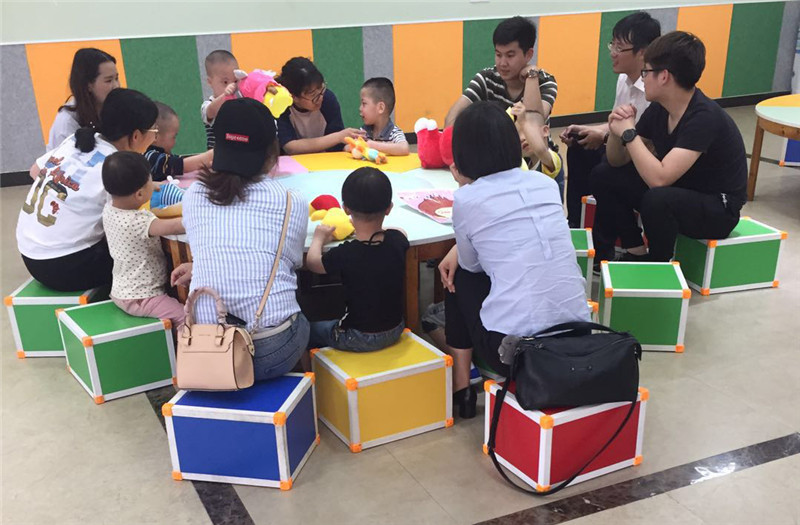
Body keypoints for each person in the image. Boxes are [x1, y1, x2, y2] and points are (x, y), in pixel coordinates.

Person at [440, 102, 590, 418]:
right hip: (578, 337)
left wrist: (464, 190)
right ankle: (463, 388)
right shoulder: (545, 184)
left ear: (462, 155)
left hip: (516, 352)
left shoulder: (466, 198)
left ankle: (461, 389)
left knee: (459, 276)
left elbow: (472, 265)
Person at [171, 98, 309, 381]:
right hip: (271, 349)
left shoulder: (194, 195)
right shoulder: (291, 200)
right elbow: (292, 262)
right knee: (305, 311)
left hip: (208, 348)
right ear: (272, 151)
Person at [593, 31, 746, 263]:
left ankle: (658, 262)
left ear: (664, 76)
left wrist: (629, 134)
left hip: (718, 209)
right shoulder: (660, 109)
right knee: (604, 174)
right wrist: (615, 132)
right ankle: (635, 249)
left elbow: (660, 179)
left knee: (658, 198)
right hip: (679, 191)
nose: (643, 78)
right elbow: (617, 161)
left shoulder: (704, 117)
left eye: (646, 72)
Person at [17, 88, 158, 292]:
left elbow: (35, 170)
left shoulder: (77, 139)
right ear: (136, 136)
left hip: (30, 254)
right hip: (65, 265)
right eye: (154, 131)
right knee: (149, 249)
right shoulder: (116, 167)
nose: (154, 138)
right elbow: (125, 227)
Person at [560, 12, 661, 227]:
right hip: (623, 146)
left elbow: (643, 142)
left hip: (644, 159)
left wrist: (604, 137)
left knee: (603, 171)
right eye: (612, 45)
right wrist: (590, 129)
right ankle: (576, 224)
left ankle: (608, 234)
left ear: (643, 52)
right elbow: (617, 124)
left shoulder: (654, 91)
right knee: (579, 144)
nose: (612, 53)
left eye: (619, 48)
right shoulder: (624, 79)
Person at [305, 167, 409, 352]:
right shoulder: (397, 240)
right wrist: (367, 230)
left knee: (307, 329)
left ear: (345, 208)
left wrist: (318, 238)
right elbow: (400, 231)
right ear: (389, 208)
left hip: (358, 337)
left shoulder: (346, 253)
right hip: (396, 329)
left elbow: (313, 263)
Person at [101, 151, 186, 328]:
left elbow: (135, 191)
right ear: (139, 194)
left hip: (121, 290)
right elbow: (175, 226)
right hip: (144, 297)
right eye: (150, 181)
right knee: (185, 317)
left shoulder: (109, 208)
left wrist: (150, 186)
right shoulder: (139, 221)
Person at [444, 16, 557, 128]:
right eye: (498, 55)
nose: (502, 63)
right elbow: (451, 118)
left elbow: (534, 125)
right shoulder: (486, 78)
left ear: (528, 54)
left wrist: (531, 76)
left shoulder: (545, 82)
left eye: (510, 55)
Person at [276, 57, 364, 154]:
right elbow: (290, 147)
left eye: (321, 88)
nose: (320, 97)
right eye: (313, 95)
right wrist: (339, 137)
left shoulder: (327, 99)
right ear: (293, 97)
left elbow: (337, 145)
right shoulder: (280, 106)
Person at [47, 48, 120, 151]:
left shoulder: (117, 108)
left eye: (116, 78)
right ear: (88, 85)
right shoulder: (66, 123)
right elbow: (63, 160)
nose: (116, 86)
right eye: (108, 81)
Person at [145, 102, 213, 181]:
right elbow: (179, 165)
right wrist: (207, 157)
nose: (175, 142)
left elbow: (178, 160)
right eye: (174, 137)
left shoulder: (161, 153)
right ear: (155, 136)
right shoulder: (148, 156)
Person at [354, 77, 409, 156]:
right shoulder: (364, 131)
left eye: (364, 103)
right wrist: (356, 145)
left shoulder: (394, 133)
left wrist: (373, 145)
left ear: (381, 108)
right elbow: (347, 147)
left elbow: (404, 148)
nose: (360, 108)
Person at [201, 49, 241, 150]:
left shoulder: (240, 101)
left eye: (235, 81)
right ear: (210, 82)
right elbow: (210, 111)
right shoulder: (207, 105)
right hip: (216, 154)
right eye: (225, 82)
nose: (232, 86)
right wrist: (225, 95)